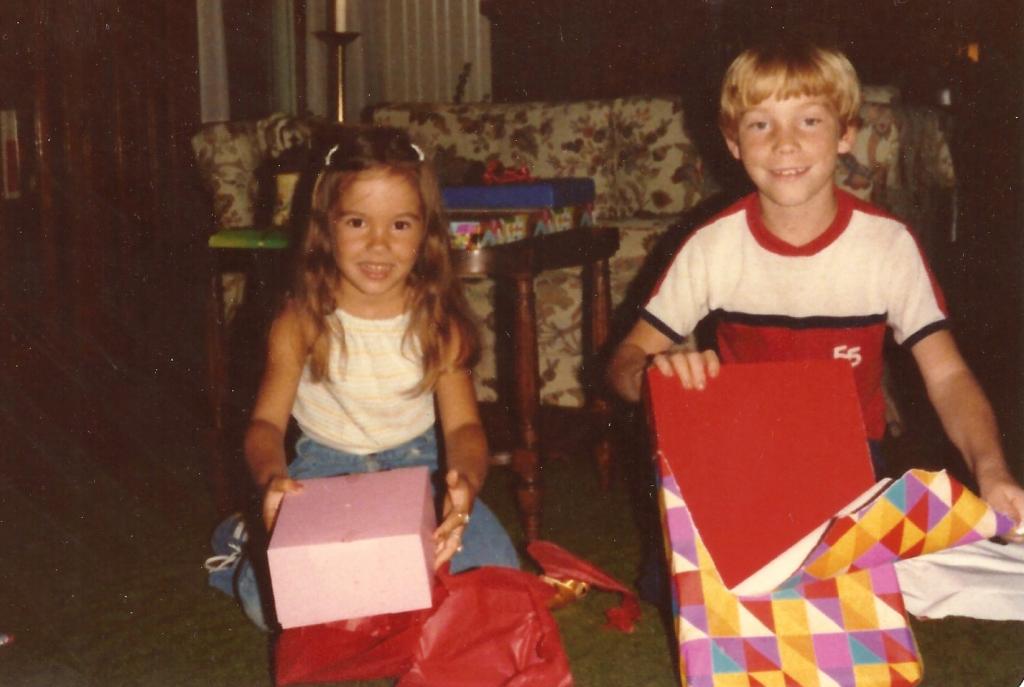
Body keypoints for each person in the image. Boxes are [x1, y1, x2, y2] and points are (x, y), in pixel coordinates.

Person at [606, 37, 1024, 535]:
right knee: (702, 588)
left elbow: (948, 377)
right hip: (740, 454)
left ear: (845, 133)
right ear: (734, 143)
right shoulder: (712, 246)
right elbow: (621, 365)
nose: (785, 144)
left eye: (809, 120)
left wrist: (991, 469)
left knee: (847, 581)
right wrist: (657, 372)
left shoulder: (886, 246)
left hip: (847, 460)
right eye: (760, 124)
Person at [229, 126, 519, 630]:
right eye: (358, 222)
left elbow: (463, 431)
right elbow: (265, 427)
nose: (379, 245)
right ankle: (240, 541)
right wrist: (272, 481)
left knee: (497, 580)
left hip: (419, 466)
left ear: (426, 232)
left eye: (401, 225)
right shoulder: (300, 319)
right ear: (326, 227)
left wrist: (464, 486)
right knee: (268, 608)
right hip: (321, 472)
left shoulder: (437, 321)